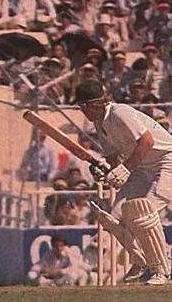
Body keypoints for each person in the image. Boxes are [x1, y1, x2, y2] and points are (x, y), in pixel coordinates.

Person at [75, 78, 172, 285]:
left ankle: (161, 271)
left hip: (166, 161)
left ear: (88, 105)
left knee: (144, 212)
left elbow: (147, 141)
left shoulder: (120, 112)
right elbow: (112, 160)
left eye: (82, 107)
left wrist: (125, 169)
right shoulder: (100, 125)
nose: (83, 112)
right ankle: (141, 260)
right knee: (113, 217)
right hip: (141, 168)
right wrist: (104, 171)